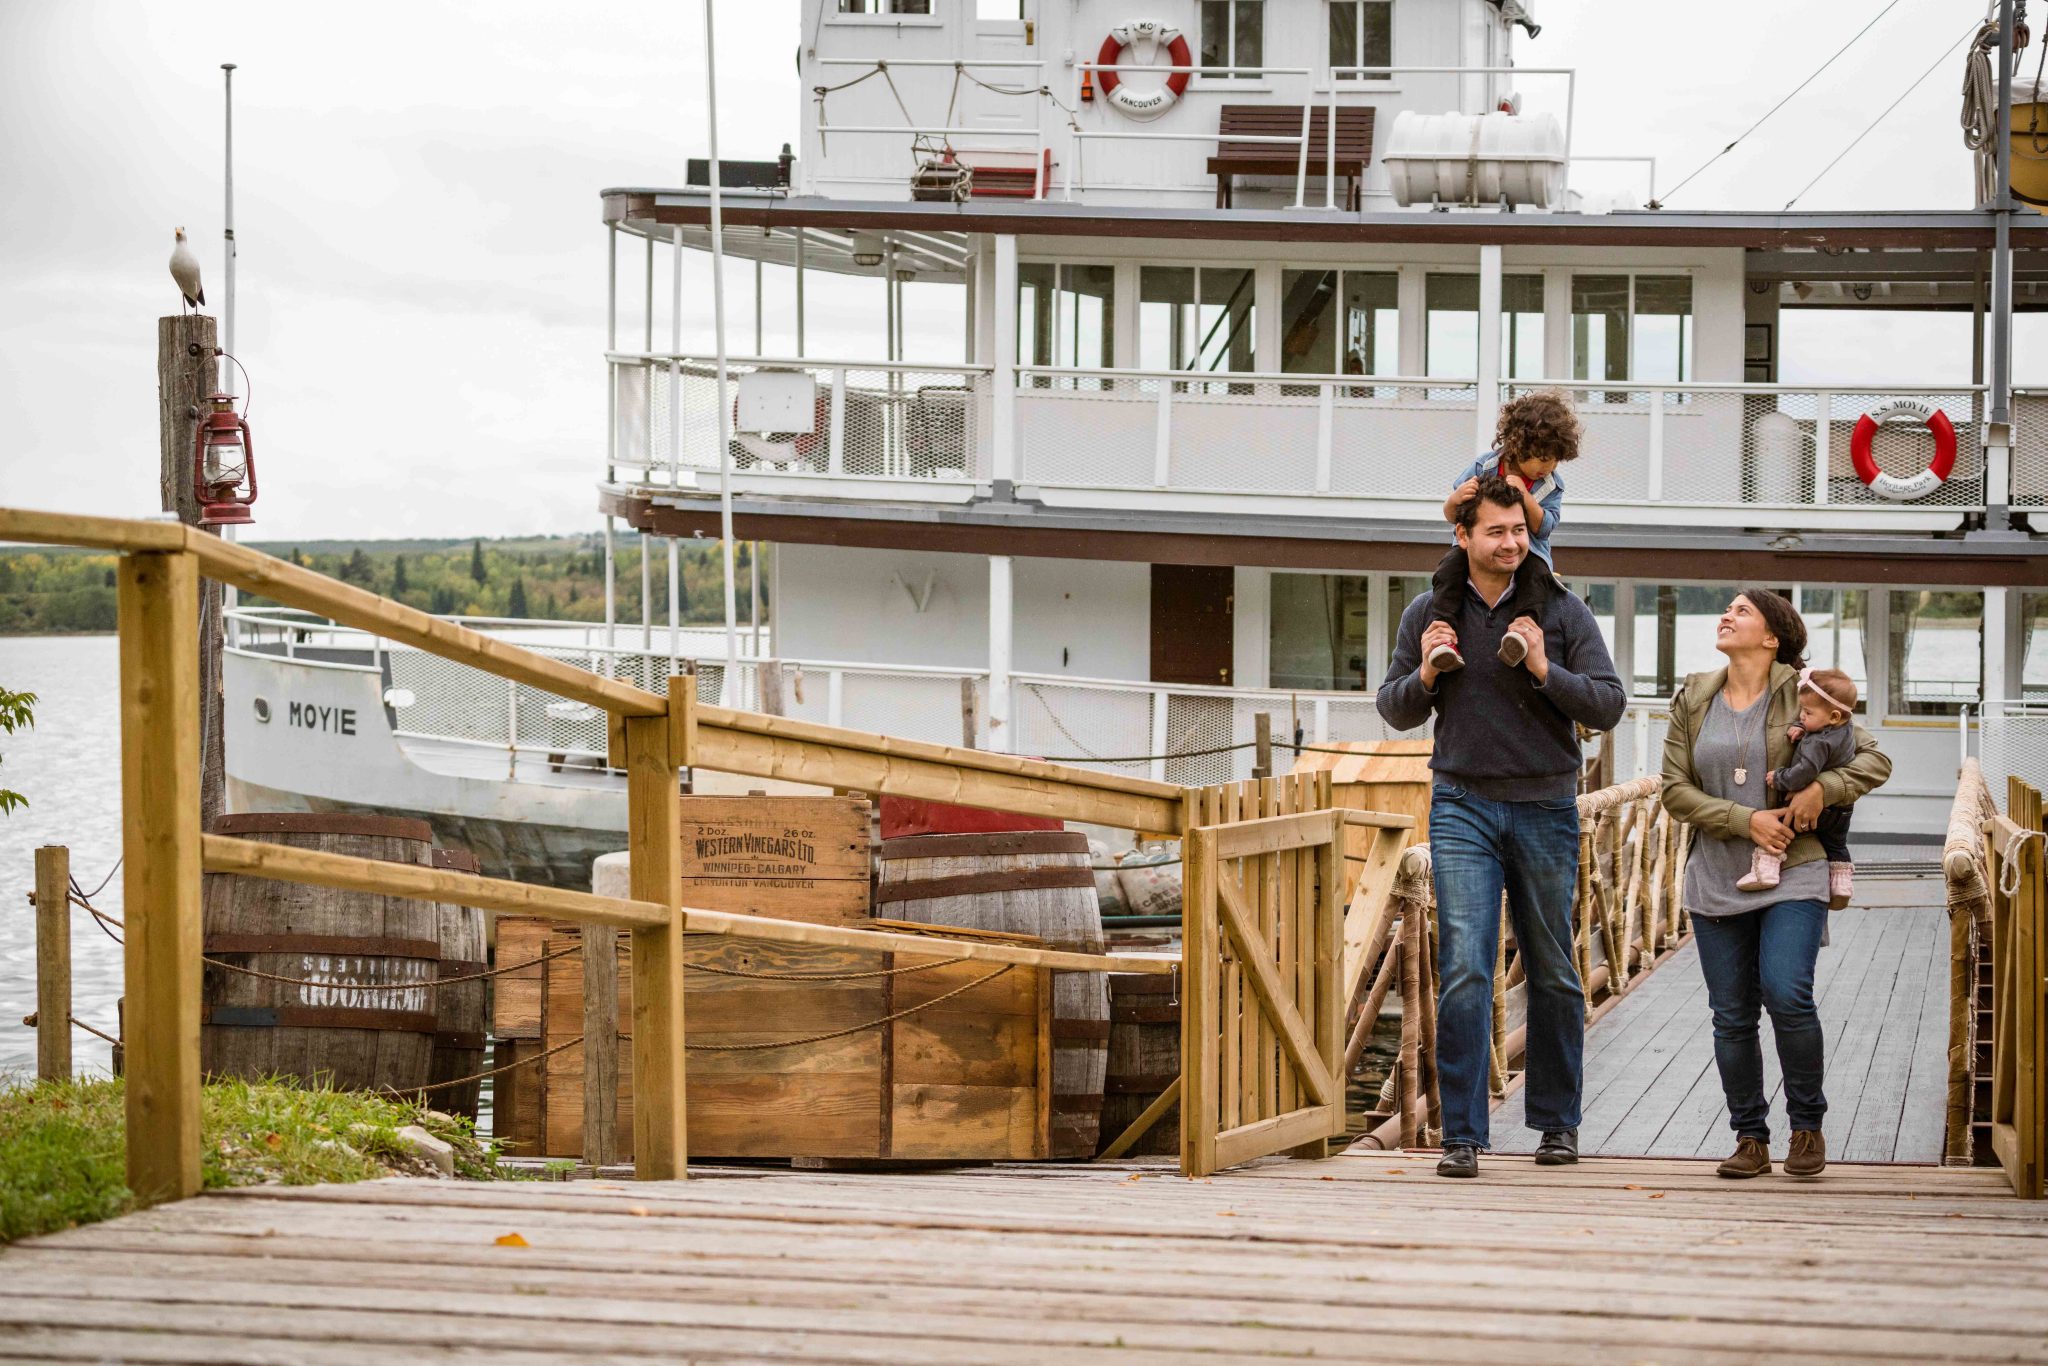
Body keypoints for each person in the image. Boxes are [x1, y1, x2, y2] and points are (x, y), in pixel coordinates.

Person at [1378, 474, 1627, 1178]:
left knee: (1552, 967)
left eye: (1520, 530)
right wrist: (1427, 674)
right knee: (1464, 967)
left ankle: (1556, 1124)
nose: (1513, 542)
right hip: (1461, 804)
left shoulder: (1562, 610)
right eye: (1497, 531)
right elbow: (1393, 708)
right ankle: (1462, 1134)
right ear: (1463, 536)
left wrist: (1545, 667)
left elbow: (1608, 705)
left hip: (1546, 805)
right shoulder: (1431, 611)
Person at [1660, 590, 1890, 1181]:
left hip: (1796, 869)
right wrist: (1745, 820)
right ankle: (1750, 1138)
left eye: (1741, 610)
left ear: (1771, 637)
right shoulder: (1694, 696)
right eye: (1727, 607)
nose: (1726, 615)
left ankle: (1807, 1127)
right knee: (1732, 1015)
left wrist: (1821, 790)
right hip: (1715, 875)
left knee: (1787, 993)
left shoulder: (1807, 691)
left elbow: (1873, 760)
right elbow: (1673, 790)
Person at [1427, 390, 1582, 675]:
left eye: (1555, 460)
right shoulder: (1484, 466)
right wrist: (1456, 498)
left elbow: (1544, 528)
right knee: (1448, 571)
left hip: (1530, 551)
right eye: (1542, 458)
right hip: (1471, 551)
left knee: (1536, 577)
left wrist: (1526, 497)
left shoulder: (1551, 485)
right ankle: (1444, 637)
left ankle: (1521, 634)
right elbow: (1452, 515)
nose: (1547, 467)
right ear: (1519, 446)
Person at [1736, 668, 1862, 908]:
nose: (1801, 715)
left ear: (1834, 716)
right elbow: (1824, 732)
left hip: (1812, 807)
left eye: (1807, 712)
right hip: (1842, 808)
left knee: (1781, 831)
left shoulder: (1817, 742)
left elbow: (1806, 771)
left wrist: (1781, 778)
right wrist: (1803, 727)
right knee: (1836, 844)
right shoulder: (1845, 728)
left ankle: (1767, 870)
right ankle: (1841, 883)